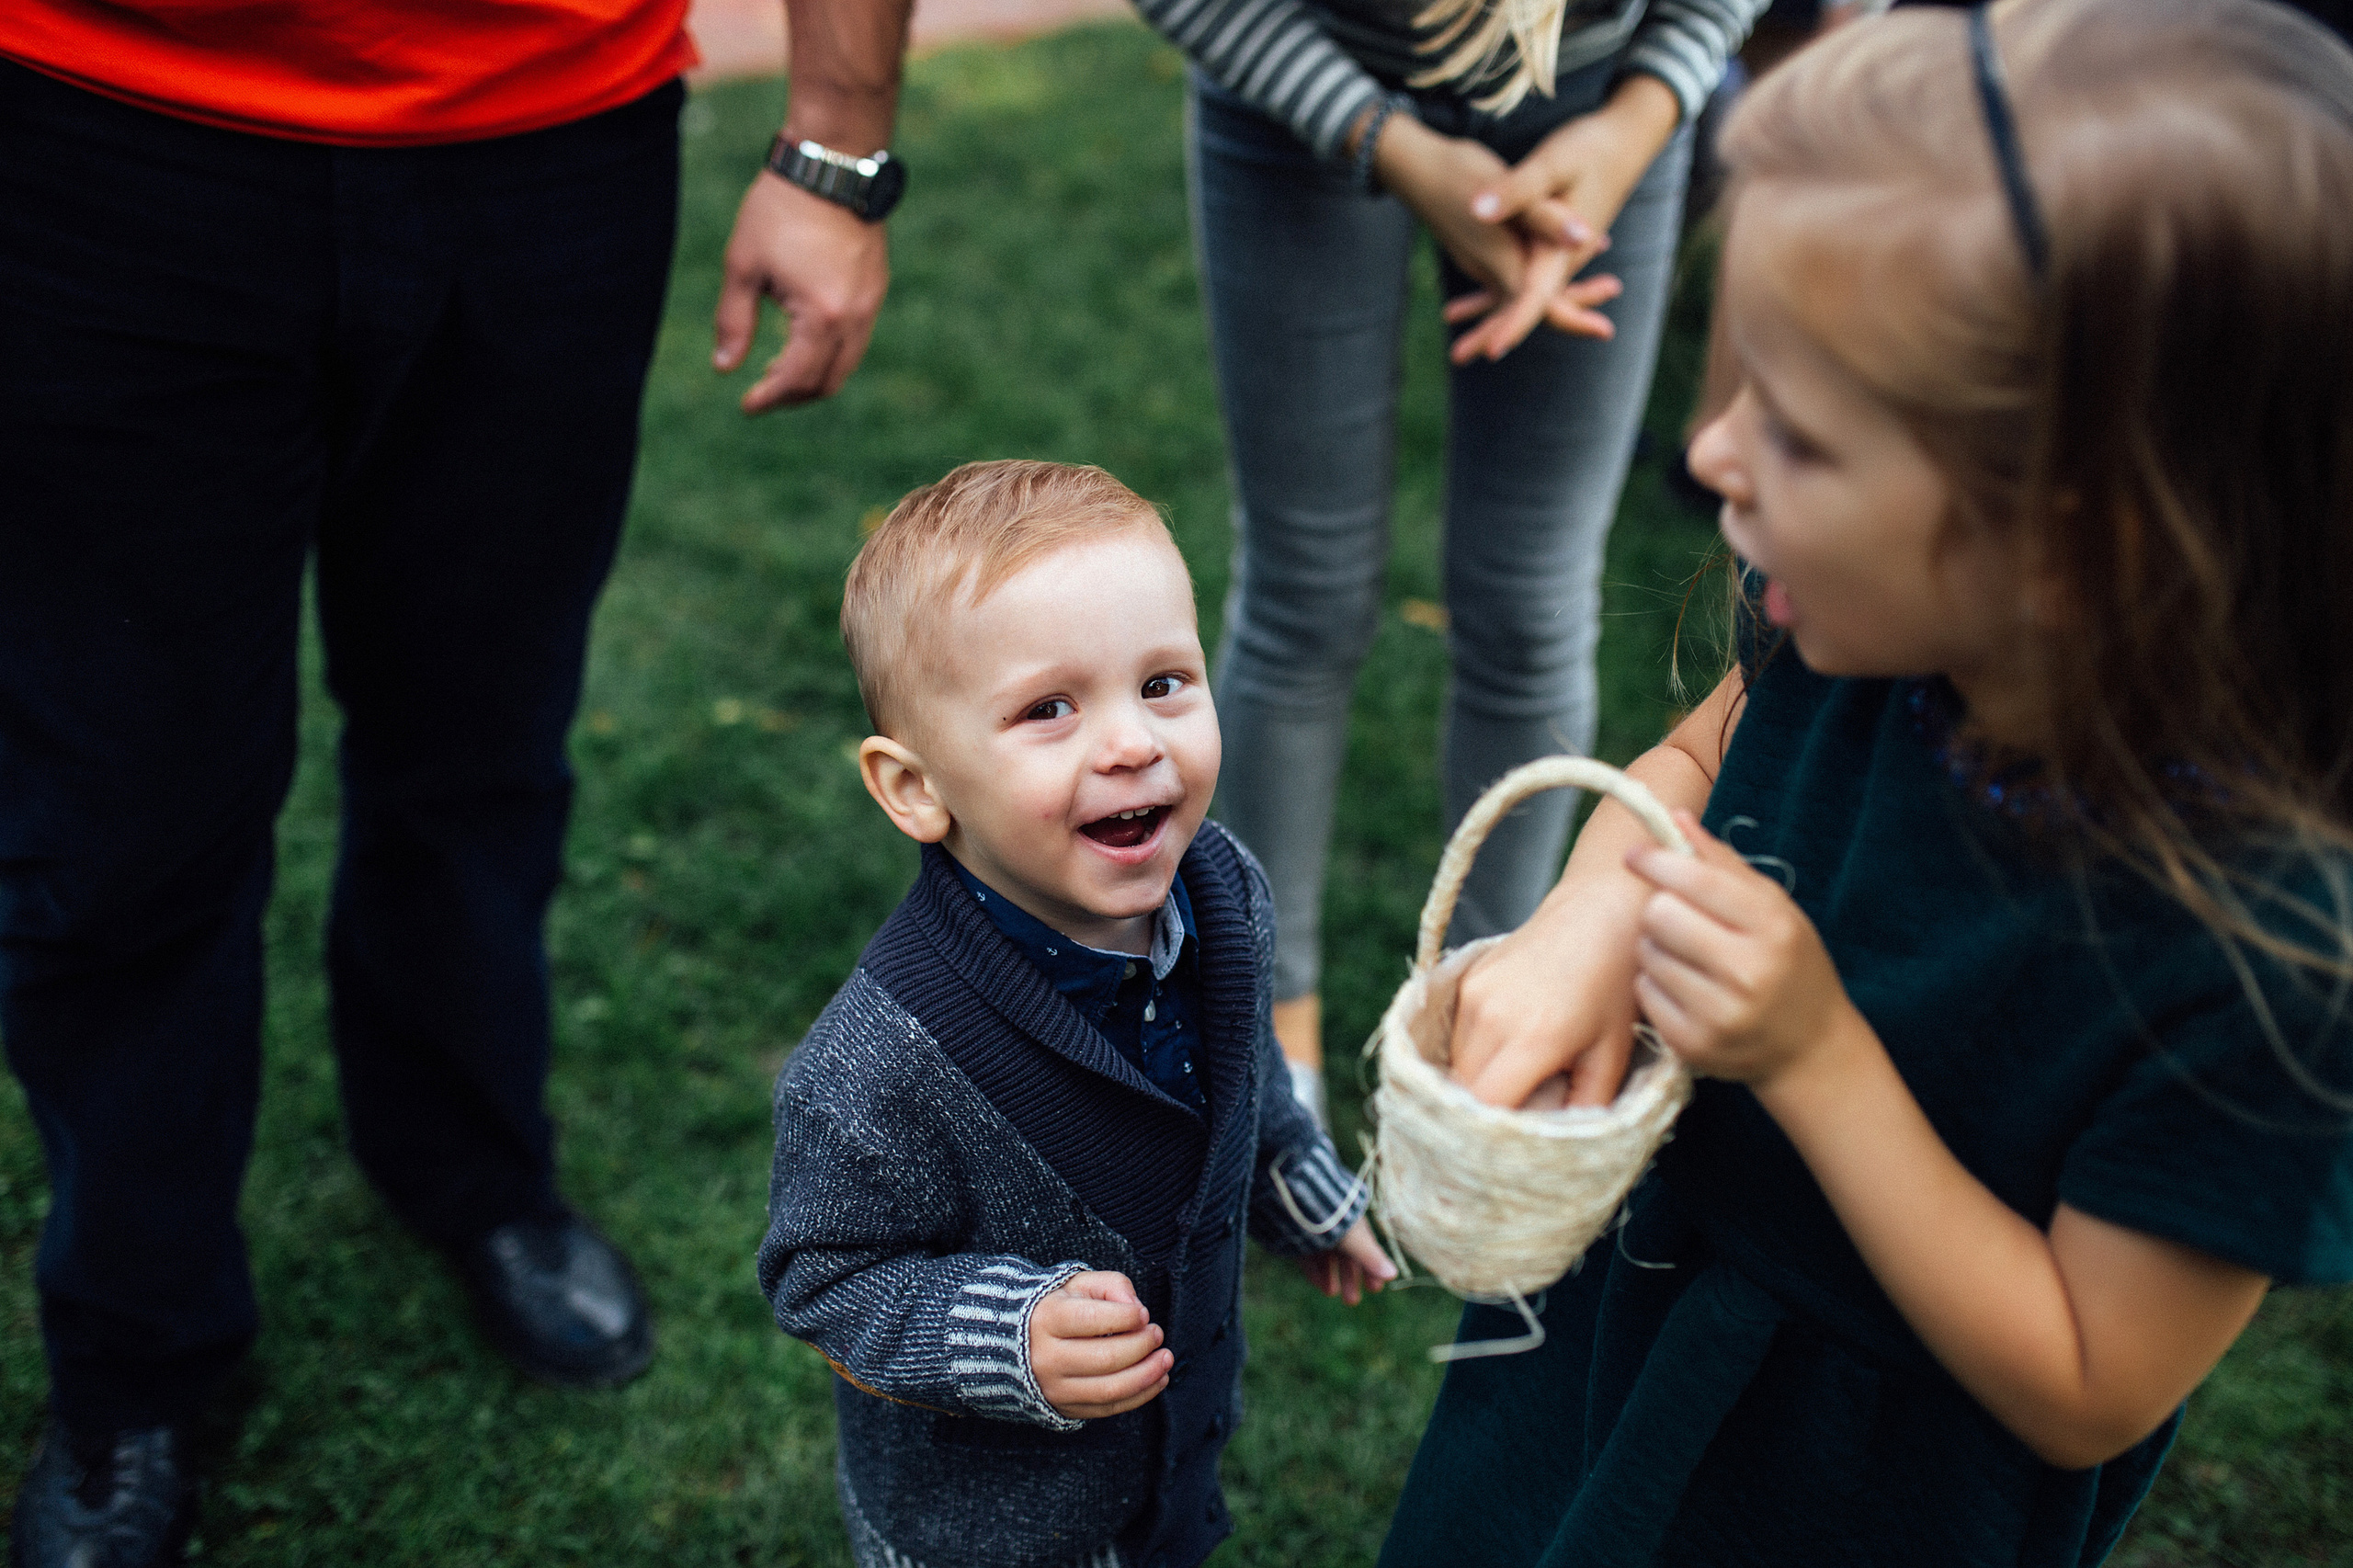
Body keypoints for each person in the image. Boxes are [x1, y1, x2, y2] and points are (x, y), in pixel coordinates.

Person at [1377, 1, 2353, 1562]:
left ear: (2066, 544)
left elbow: (2091, 1380)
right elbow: (1705, 752)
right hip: (1602, 1358)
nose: (1712, 455)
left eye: (1803, 436)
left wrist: (1814, 1057)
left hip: (1851, 1492)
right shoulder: (1857, 631)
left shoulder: (2263, 959)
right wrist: (1587, 913)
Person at [0, 1, 915, 1561]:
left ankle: (472, 1172)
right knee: (121, 814)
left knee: (480, 748)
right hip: (101, 123)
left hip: (551, 136)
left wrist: (836, 147)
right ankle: (132, 1348)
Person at [1128, 0, 1768, 1123]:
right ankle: (1264, 1050)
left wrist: (1637, 119)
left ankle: (1489, 1034)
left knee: (1531, 606)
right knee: (1305, 595)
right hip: (1296, 75)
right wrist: (1387, 143)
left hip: (1603, 109)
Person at [758, 460, 1395, 1568]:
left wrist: (1295, 1184)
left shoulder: (1227, 896)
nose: (1133, 741)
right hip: (981, 1531)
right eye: (1050, 708)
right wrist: (1007, 1333)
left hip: (1162, 1473)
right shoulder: (880, 1063)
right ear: (916, 787)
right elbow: (826, 1275)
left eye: (1163, 682)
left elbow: (1237, 1079)